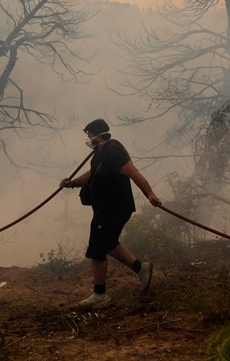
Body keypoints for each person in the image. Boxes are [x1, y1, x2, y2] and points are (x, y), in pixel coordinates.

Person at [60, 118, 162, 308]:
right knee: (108, 243)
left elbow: (133, 172)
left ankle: (100, 295)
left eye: (90, 136)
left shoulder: (113, 151)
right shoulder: (99, 153)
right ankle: (142, 269)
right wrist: (72, 183)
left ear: (98, 136)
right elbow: (92, 174)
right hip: (105, 208)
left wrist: (149, 193)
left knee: (97, 248)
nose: (88, 140)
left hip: (113, 208)